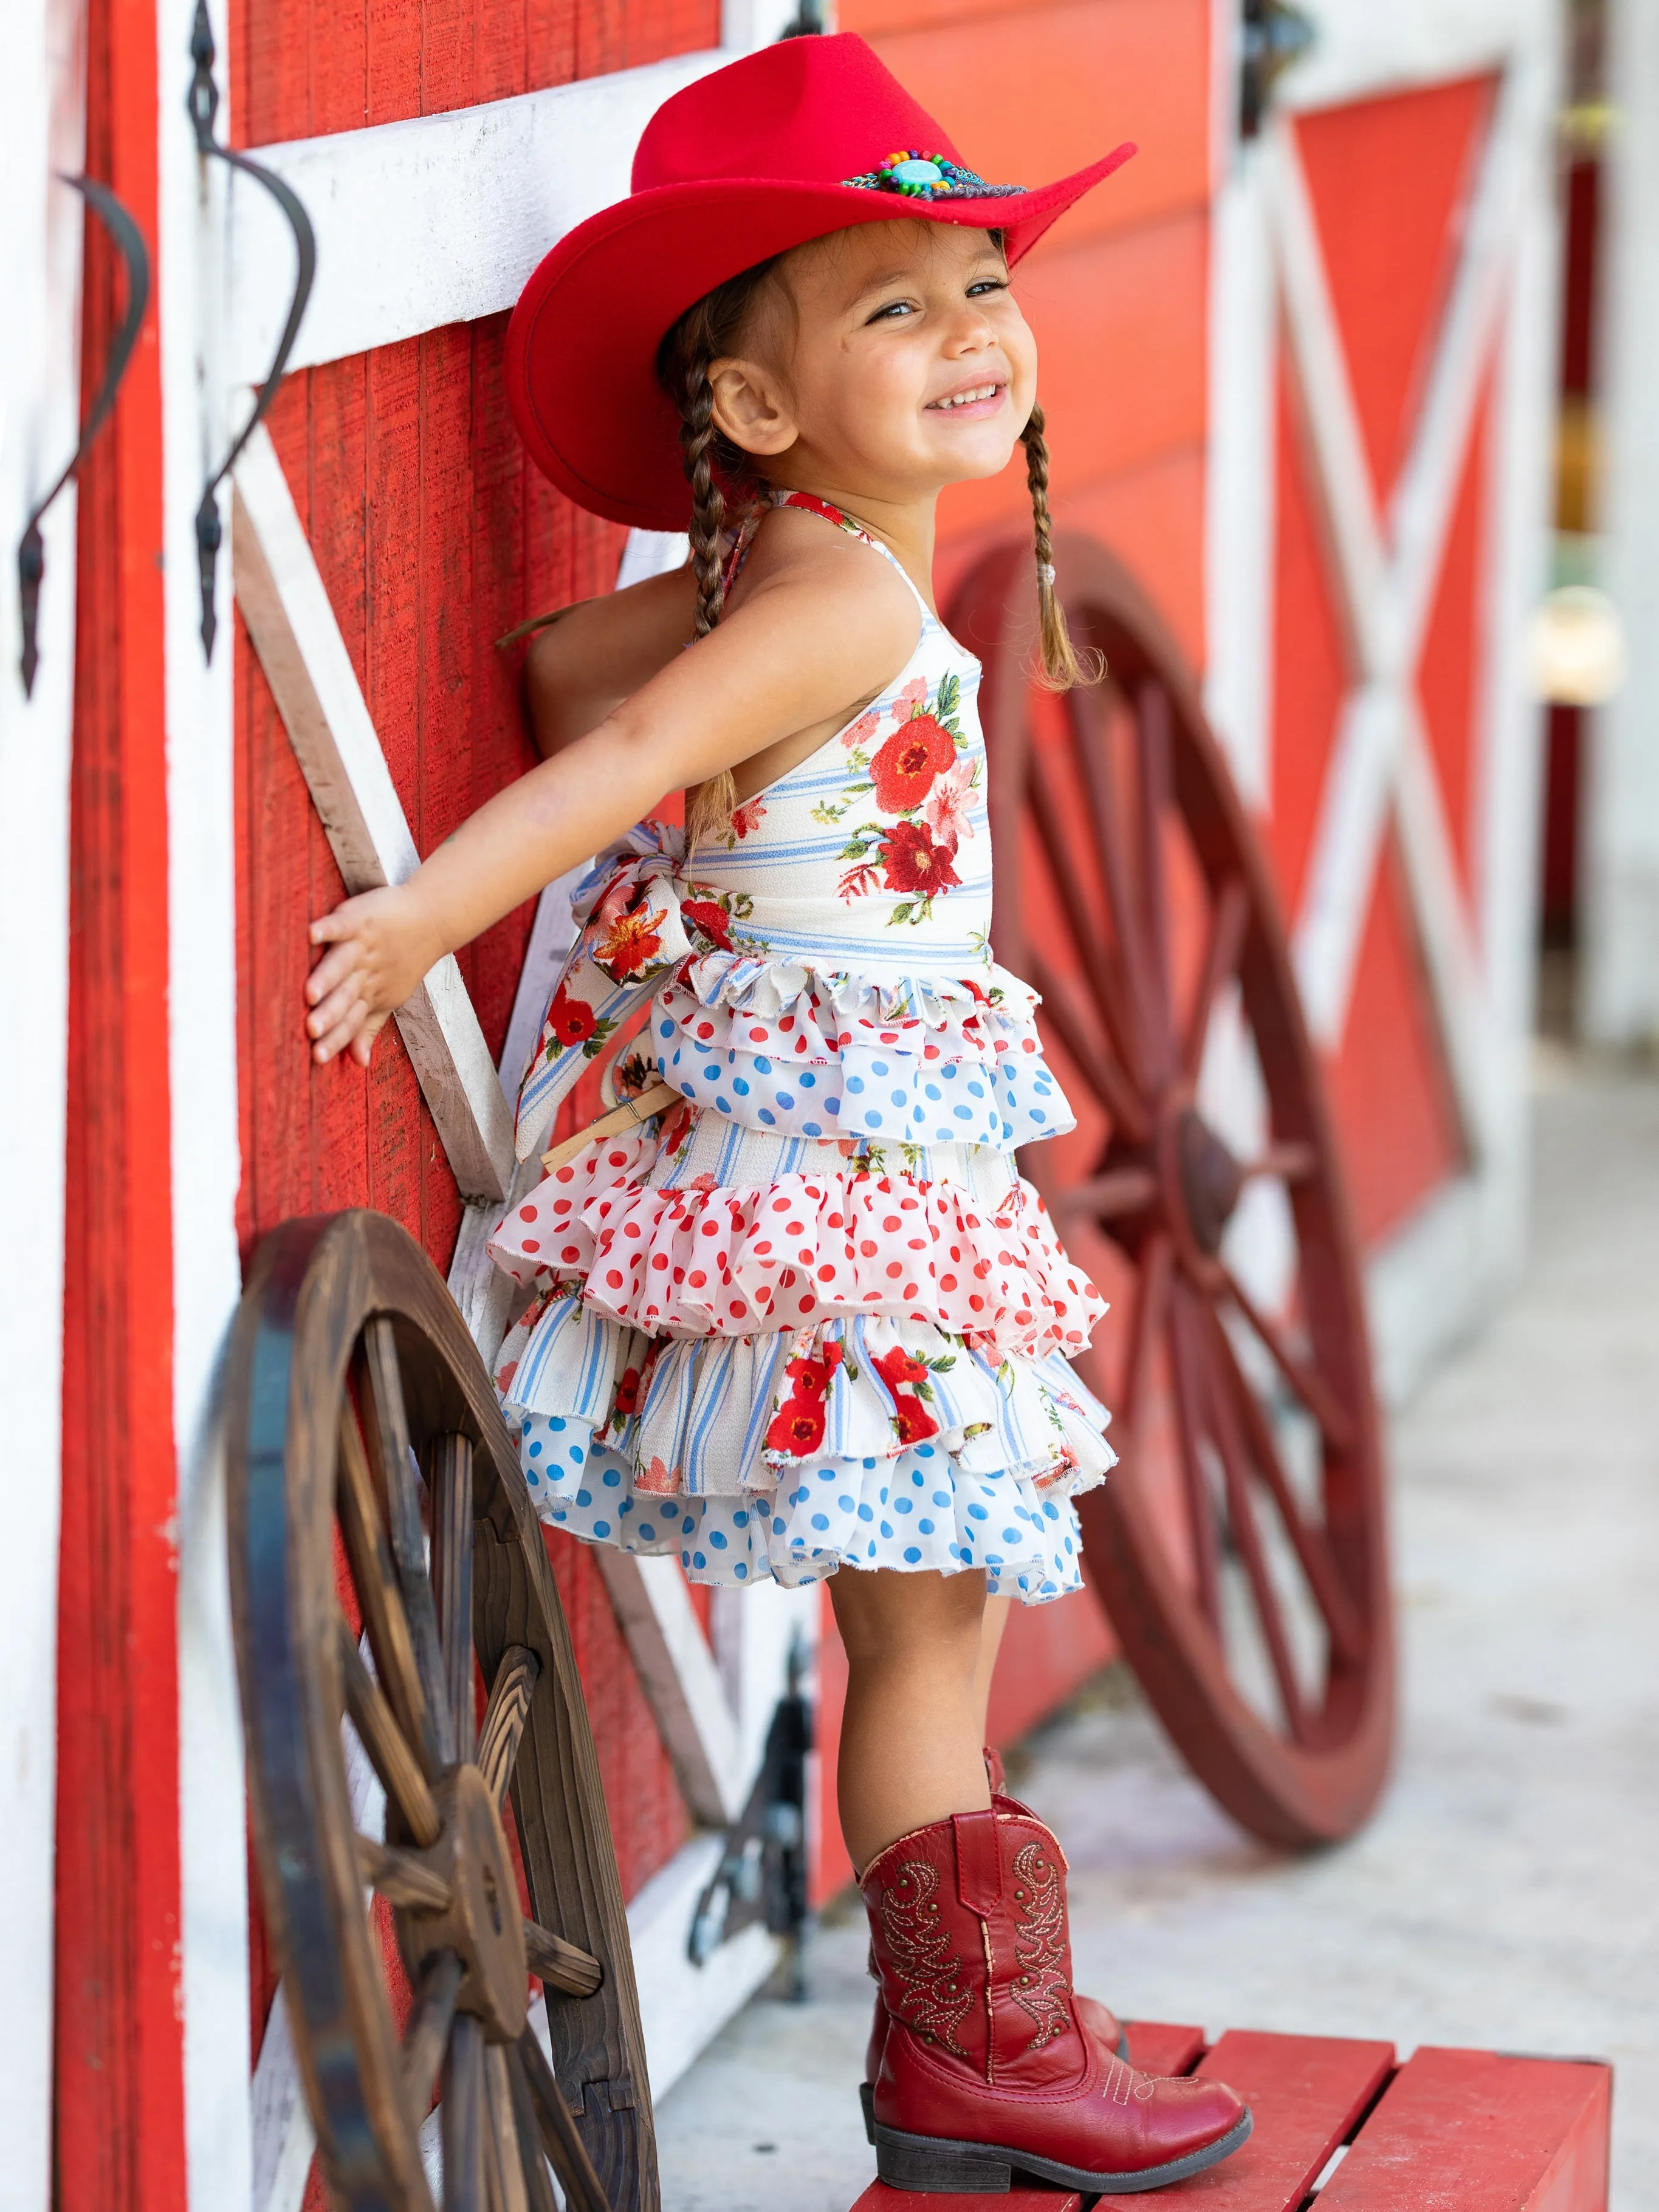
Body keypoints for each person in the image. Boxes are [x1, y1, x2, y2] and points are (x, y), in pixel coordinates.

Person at [301, 32, 1249, 2194]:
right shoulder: (833, 605)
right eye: (891, 307)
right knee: (931, 1613)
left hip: (837, 1150)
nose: (969, 333)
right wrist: (427, 908)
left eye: (977, 280)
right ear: (745, 405)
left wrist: (727, 756)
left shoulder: (800, 581)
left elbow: (563, 660)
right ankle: (975, 2051)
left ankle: (982, 2029)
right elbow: (621, 759)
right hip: (851, 1184)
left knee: (934, 1600)